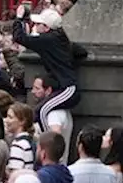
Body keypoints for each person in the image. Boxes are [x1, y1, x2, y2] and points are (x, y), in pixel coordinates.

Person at [12, 8, 85, 137]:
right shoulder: (61, 39)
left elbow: (19, 37)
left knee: (41, 111)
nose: (35, 26)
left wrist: (19, 18)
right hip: (68, 87)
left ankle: (48, 143)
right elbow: (81, 52)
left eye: (38, 24)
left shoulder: (46, 40)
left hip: (67, 88)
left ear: (46, 28)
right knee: (42, 110)